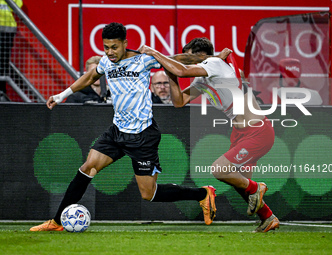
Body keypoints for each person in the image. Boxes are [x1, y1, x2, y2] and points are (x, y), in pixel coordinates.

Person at [30, 23, 217, 232]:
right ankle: (56, 222)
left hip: (143, 135)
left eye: (114, 47)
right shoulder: (105, 62)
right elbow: (91, 77)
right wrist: (61, 95)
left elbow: (178, 59)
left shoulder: (143, 59)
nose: (110, 52)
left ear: (125, 44)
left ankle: (202, 194)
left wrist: (215, 59)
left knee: (149, 194)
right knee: (87, 168)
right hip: (117, 132)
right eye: (106, 47)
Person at [139, 37, 280, 233]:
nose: (185, 61)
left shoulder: (215, 64)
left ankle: (257, 188)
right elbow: (179, 101)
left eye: (188, 57)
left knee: (220, 170)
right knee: (240, 183)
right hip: (240, 132)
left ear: (202, 56)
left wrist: (155, 54)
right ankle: (268, 217)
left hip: (258, 131)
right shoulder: (203, 78)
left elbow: (182, 69)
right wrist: (170, 73)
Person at [0, 0, 23, 95]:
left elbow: (18, 6)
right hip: (8, 29)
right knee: (3, 63)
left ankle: (2, 90)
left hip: (8, 29)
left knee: (3, 62)